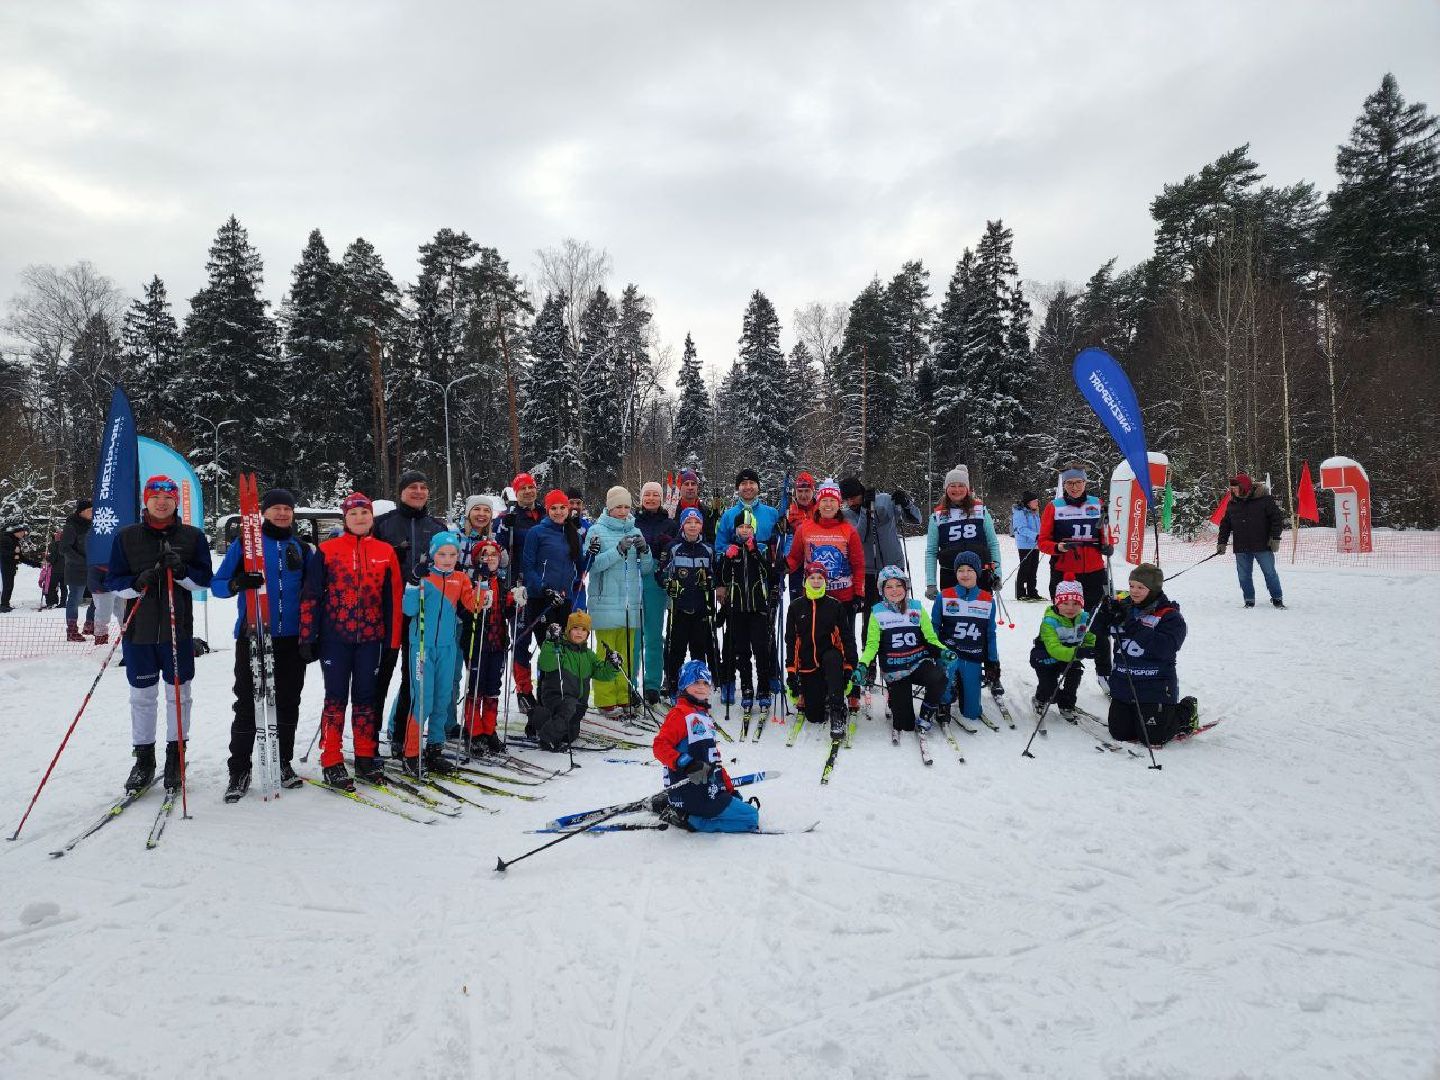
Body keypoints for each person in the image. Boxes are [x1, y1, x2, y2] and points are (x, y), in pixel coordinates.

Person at [105, 476, 214, 793]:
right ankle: (144, 760)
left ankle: (175, 758)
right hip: (139, 632)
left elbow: (204, 580)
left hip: (176, 631)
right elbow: (114, 582)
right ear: (146, 500)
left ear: (176, 501)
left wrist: (181, 572)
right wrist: (138, 582)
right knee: (141, 697)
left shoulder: (192, 537)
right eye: (156, 496)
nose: (162, 501)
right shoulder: (126, 537)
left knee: (179, 696)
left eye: (168, 496)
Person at [211, 487, 312, 801]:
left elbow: (313, 593)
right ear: (264, 512)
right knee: (247, 704)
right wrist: (237, 582)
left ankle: (282, 762)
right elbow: (217, 585)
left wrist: (312, 635)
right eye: (276, 508)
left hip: (291, 638)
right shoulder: (246, 545)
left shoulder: (302, 548)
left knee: (288, 702)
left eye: (288, 508)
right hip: (254, 634)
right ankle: (239, 769)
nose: (282, 513)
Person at [299, 492, 403, 790]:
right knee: (335, 698)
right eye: (354, 514)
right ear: (345, 518)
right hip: (336, 638)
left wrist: (393, 642)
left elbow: (393, 600)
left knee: (366, 698)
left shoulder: (386, 551)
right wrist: (309, 635)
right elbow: (311, 595)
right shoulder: (328, 550)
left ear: (372, 517)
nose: (360, 518)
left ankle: (366, 757)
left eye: (365, 513)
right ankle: (331, 759)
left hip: (371, 639)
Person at [372, 469, 448, 756]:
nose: (418, 491)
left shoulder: (437, 527)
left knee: (412, 675)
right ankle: (370, 738)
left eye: (423, 487)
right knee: (381, 675)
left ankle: (401, 732)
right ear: (401, 492)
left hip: (422, 614)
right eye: (412, 487)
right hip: (388, 612)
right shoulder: (383, 524)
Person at [400, 531, 481, 776]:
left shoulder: (460, 578)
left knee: (442, 699)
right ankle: (411, 753)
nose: (447, 559)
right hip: (422, 646)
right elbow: (408, 609)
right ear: (433, 554)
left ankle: (435, 749)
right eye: (442, 554)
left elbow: (474, 605)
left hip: (447, 646)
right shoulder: (425, 577)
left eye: (453, 554)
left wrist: (483, 584)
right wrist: (413, 583)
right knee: (423, 698)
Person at [651, 659, 761, 833]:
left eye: (705, 682)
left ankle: (686, 810)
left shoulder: (703, 717)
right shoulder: (680, 714)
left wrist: (729, 789)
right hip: (693, 792)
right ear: (684, 684)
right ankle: (690, 820)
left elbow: (714, 759)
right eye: (695, 682)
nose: (701, 686)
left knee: (738, 805)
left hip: (707, 789)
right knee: (751, 818)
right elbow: (659, 746)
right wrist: (685, 763)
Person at [786, 478, 865, 708]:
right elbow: (795, 558)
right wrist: (782, 566)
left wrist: (859, 592)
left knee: (846, 641)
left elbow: (859, 564)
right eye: (824, 500)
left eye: (832, 500)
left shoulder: (848, 530)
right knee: (810, 642)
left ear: (839, 503)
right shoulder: (805, 528)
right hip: (813, 599)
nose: (828, 505)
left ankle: (851, 687)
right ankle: (807, 685)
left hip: (843, 597)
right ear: (818, 503)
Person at [1103, 563, 1198, 745]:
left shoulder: (1170, 616)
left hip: (1154, 686)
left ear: (1153, 589)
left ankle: (1187, 710)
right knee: (1120, 733)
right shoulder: (1124, 608)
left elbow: (1165, 648)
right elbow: (1097, 635)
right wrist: (1103, 615)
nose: (1134, 591)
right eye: (1131, 586)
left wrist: (1133, 626)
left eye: (1141, 587)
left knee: (1154, 738)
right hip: (1125, 684)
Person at [1036, 464, 1112, 681]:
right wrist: (1058, 547)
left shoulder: (1097, 504)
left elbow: (1107, 533)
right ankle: (1058, 669)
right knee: (1064, 621)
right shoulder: (1054, 506)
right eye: (1070, 483)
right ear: (1064, 485)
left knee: (1099, 621)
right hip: (1065, 572)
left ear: (1085, 483)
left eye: (1078, 482)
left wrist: (1108, 545)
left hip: (1095, 571)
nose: (1074, 487)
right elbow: (1042, 541)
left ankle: (1104, 672)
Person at [584, 486, 653, 714]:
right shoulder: (596, 530)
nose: (623, 511)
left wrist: (645, 552)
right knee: (606, 655)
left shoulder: (637, 531)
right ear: (609, 507)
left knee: (627, 655)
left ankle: (624, 695)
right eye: (618, 507)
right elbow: (592, 566)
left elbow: (646, 569)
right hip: (605, 602)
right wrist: (617, 549)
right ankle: (605, 700)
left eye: (626, 506)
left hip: (630, 604)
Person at [857, 565, 949, 734]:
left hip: (918, 662)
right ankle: (895, 697)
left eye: (899, 585)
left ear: (906, 587)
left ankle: (926, 714)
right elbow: (872, 645)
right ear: (882, 590)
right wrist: (863, 664)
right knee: (904, 724)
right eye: (889, 586)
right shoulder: (877, 612)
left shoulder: (916, 608)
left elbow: (931, 638)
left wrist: (943, 651)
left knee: (939, 678)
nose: (895, 590)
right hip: (895, 669)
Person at [520, 488, 586, 708]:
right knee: (549, 651)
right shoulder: (537, 533)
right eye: (554, 508)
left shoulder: (573, 534)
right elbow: (528, 567)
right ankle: (545, 704)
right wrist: (543, 589)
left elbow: (581, 567)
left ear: (569, 509)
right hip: (542, 601)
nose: (559, 512)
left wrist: (592, 554)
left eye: (563, 508)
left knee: (564, 653)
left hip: (564, 600)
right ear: (547, 510)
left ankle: (561, 701)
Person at [529, 611, 623, 751]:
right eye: (575, 628)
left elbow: (603, 673)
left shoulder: (589, 655)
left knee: (570, 735)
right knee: (568, 708)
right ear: (568, 630)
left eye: (584, 630)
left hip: (577, 705)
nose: (579, 633)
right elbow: (546, 664)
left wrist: (612, 665)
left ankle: (537, 719)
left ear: (588, 633)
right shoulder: (559, 649)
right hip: (557, 698)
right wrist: (550, 642)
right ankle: (546, 738)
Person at [840, 475, 921, 636]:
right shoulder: (847, 515)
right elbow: (858, 537)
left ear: (862, 492)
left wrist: (906, 503)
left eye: (854, 498)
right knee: (871, 616)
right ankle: (869, 654)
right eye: (847, 499)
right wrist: (865, 510)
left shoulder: (884, 500)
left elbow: (916, 519)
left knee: (898, 610)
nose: (851, 503)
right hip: (869, 572)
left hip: (894, 566)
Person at [784, 561, 854, 739]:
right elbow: (791, 641)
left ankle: (837, 710)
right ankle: (820, 696)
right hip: (808, 664)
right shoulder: (795, 607)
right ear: (806, 580)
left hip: (831, 661)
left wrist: (849, 667)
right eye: (812, 578)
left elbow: (846, 638)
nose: (816, 581)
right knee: (815, 717)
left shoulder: (835, 606)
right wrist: (792, 671)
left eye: (820, 578)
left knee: (832, 658)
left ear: (825, 581)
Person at [717, 510, 776, 716]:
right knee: (742, 651)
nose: (745, 530)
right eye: (741, 527)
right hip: (737, 609)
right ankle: (747, 687)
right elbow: (723, 577)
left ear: (754, 529)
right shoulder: (731, 550)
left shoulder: (760, 547)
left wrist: (754, 553)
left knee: (761, 649)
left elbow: (769, 572)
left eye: (748, 527)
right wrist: (727, 558)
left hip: (758, 608)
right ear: (736, 530)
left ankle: (764, 686)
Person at [932, 552, 999, 732]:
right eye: (960, 570)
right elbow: (934, 628)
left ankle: (963, 689)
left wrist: (993, 662)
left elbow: (990, 633)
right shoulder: (944, 596)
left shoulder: (987, 600)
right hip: (950, 654)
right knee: (947, 672)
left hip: (973, 655)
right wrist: (935, 652)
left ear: (978, 572)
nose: (965, 574)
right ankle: (944, 701)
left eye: (970, 570)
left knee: (971, 712)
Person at [459, 538, 511, 754]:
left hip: (497, 643)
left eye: (494, 554)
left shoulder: (501, 581)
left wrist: (515, 603)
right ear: (477, 559)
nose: (489, 558)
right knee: (476, 688)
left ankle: (489, 729)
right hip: (477, 642)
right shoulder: (470, 581)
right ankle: (474, 730)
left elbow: (507, 612)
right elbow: (464, 610)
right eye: (484, 554)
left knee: (492, 688)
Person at [496, 472, 544, 703]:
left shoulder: (546, 514)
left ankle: (548, 688)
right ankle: (524, 690)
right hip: (520, 587)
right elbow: (498, 548)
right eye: (522, 488)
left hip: (545, 586)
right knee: (522, 639)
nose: (528, 491)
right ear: (516, 492)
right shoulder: (509, 517)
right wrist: (504, 529)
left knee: (549, 641)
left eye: (531, 487)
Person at [660, 508, 717, 700]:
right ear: (683, 525)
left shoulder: (708, 549)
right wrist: (669, 583)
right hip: (679, 608)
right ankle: (674, 683)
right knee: (675, 648)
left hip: (701, 608)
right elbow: (660, 573)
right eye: (689, 522)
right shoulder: (673, 547)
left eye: (697, 522)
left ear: (701, 525)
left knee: (698, 649)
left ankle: (697, 685)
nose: (693, 526)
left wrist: (710, 581)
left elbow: (716, 576)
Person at [924, 465, 1002, 599]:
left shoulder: (980, 511)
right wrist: (931, 583)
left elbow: (992, 544)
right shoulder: (937, 516)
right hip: (950, 576)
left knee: (981, 617)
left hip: (981, 574)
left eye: (961, 485)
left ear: (967, 488)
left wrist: (997, 574)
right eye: (952, 486)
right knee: (951, 618)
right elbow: (931, 552)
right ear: (946, 489)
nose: (957, 489)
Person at [1028, 577, 1096, 723]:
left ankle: (1066, 705)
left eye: (1076, 604)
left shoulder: (1084, 618)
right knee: (1049, 688)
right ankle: (1040, 699)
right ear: (1057, 603)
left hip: (1071, 656)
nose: (1070, 608)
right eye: (1065, 603)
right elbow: (1054, 648)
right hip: (1046, 656)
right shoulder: (1049, 621)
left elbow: (1090, 636)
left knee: (1075, 676)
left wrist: (1089, 648)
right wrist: (1076, 653)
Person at [634, 481, 677, 704]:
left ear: (661, 499)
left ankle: (651, 684)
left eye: (655, 495)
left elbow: (674, 551)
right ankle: (630, 682)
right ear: (641, 498)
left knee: (652, 634)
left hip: (656, 581)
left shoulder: (669, 524)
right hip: (632, 579)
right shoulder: (632, 521)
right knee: (634, 633)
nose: (650, 498)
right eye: (647, 495)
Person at [1217, 473, 1286, 609]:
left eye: (1235, 487)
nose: (1233, 490)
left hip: (1263, 545)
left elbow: (1277, 519)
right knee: (1243, 576)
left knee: (1270, 573)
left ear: (1244, 486)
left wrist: (1275, 537)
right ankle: (1249, 600)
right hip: (1241, 546)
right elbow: (1225, 525)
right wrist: (1222, 542)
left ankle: (1277, 598)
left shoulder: (1264, 500)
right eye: (1232, 488)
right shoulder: (1232, 503)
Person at [59, 501, 96, 641]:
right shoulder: (71, 526)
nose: (93, 512)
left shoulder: (94, 525)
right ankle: (72, 631)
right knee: (75, 599)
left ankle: (90, 624)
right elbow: (64, 548)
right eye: (90, 510)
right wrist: (82, 560)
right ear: (81, 511)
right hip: (76, 569)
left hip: (93, 569)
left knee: (98, 597)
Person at [782, 471, 818, 599]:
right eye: (800, 491)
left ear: (813, 491)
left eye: (807, 491)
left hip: (816, 564)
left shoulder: (820, 509)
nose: (803, 495)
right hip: (795, 566)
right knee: (798, 605)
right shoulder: (789, 510)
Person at [455, 494, 503, 570]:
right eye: (477, 509)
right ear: (468, 513)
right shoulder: (456, 538)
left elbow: (498, 571)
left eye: (486, 510)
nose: (481, 513)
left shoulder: (494, 541)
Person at [1, 521, 41, 612]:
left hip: (11, 566)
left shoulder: (15, 541)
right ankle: (3, 605)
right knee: (7, 585)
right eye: (23, 533)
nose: (24, 535)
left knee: (9, 585)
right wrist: (14, 554)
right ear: (18, 532)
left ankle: (6, 604)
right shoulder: (6, 538)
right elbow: (3, 552)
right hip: (5, 566)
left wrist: (37, 564)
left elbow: (21, 557)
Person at [1011, 491, 1043, 601]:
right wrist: (1036, 536)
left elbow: (1039, 526)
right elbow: (1021, 529)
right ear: (1028, 502)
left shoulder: (1035, 512)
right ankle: (1020, 593)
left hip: (1035, 544)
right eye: (1034, 501)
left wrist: (1043, 535)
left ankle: (1032, 592)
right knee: (1025, 568)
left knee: (1033, 568)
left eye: (1037, 501)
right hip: (1025, 544)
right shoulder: (1020, 512)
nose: (1037, 503)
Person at [673, 468, 717, 542]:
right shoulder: (672, 512)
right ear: (680, 487)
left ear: (697, 487)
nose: (690, 487)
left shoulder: (707, 512)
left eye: (693, 484)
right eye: (686, 484)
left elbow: (712, 539)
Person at [42, 527, 65, 610]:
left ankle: (52, 602)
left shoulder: (54, 544)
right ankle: (63, 602)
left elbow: (53, 558)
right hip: (66, 569)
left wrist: (47, 557)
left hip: (55, 569)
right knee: (64, 587)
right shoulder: (67, 544)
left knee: (52, 586)